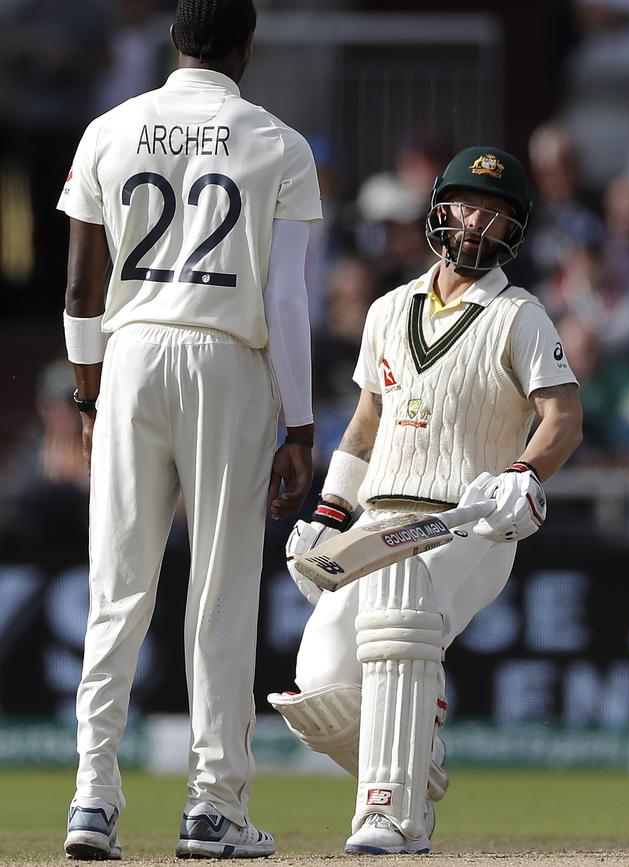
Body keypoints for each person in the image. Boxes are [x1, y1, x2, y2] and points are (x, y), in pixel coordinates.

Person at [57, 0, 322, 859]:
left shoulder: (109, 128)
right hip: (226, 360)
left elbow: (78, 291)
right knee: (221, 590)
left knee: (117, 585)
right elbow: (285, 301)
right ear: (245, 48)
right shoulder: (279, 143)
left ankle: (92, 798)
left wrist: (90, 401)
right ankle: (214, 806)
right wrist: (302, 422)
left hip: (131, 355)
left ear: (175, 41)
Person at [269, 147, 583, 854]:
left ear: (516, 229)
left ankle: (392, 814)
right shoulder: (387, 310)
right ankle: (417, 760)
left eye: (497, 214)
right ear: (441, 210)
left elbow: (563, 416)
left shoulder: (519, 314)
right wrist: (328, 511)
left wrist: (525, 473)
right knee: (317, 684)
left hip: (467, 521)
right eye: (470, 206)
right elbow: (366, 422)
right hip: (380, 521)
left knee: (400, 625)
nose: (479, 223)